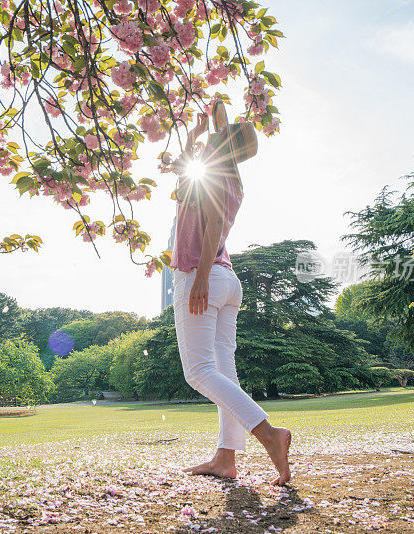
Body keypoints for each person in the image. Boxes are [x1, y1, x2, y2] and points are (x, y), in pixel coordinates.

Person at [169, 99, 292, 485]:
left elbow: (215, 222)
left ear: (222, 144)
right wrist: (202, 125)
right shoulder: (231, 176)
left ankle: (269, 435)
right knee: (224, 372)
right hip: (228, 282)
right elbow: (188, 159)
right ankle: (225, 458)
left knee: (199, 373)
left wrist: (201, 275)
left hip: (202, 274)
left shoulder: (213, 174)